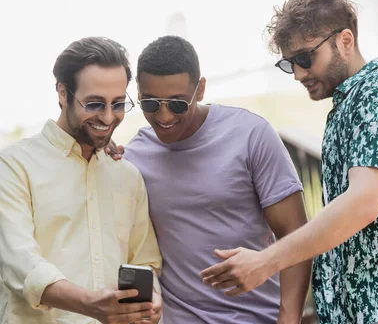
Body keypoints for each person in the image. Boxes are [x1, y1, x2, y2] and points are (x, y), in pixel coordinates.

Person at [200, 0, 378, 324]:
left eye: (305, 58)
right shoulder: (348, 104)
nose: (298, 74)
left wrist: (267, 261)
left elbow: (361, 204)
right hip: (367, 305)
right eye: (289, 63)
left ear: (346, 41)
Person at [110, 35, 312, 323]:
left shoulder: (251, 136)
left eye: (178, 104)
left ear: (200, 89)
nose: (163, 116)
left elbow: (295, 234)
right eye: (151, 104)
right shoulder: (133, 158)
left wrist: (288, 319)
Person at [0, 36, 162, 324]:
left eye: (118, 104)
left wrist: (151, 301)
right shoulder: (11, 167)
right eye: (94, 104)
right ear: (62, 93)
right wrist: (90, 304)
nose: (108, 116)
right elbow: (19, 264)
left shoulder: (127, 175)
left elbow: (144, 262)